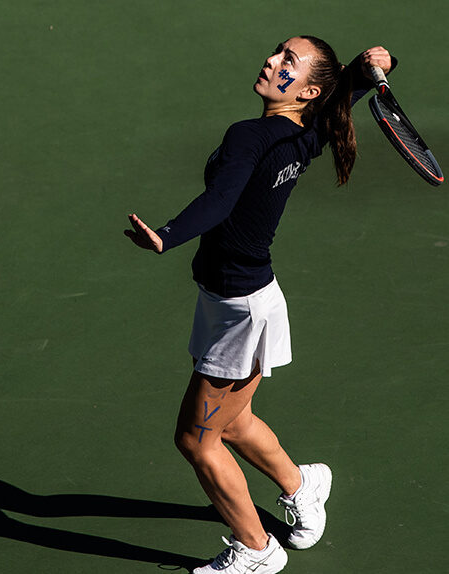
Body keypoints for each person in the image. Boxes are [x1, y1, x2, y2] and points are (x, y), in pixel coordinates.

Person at [125, 37, 394, 574]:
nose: (272, 61)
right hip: (242, 301)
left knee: (197, 441)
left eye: (287, 62)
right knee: (237, 421)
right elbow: (339, 97)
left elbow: (221, 200)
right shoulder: (307, 134)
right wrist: (367, 74)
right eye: (278, 53)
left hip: (239, 312)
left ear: (310, 90)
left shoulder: (249, 136)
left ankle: (255, 550)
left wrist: (167, 236)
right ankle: (303, 485)